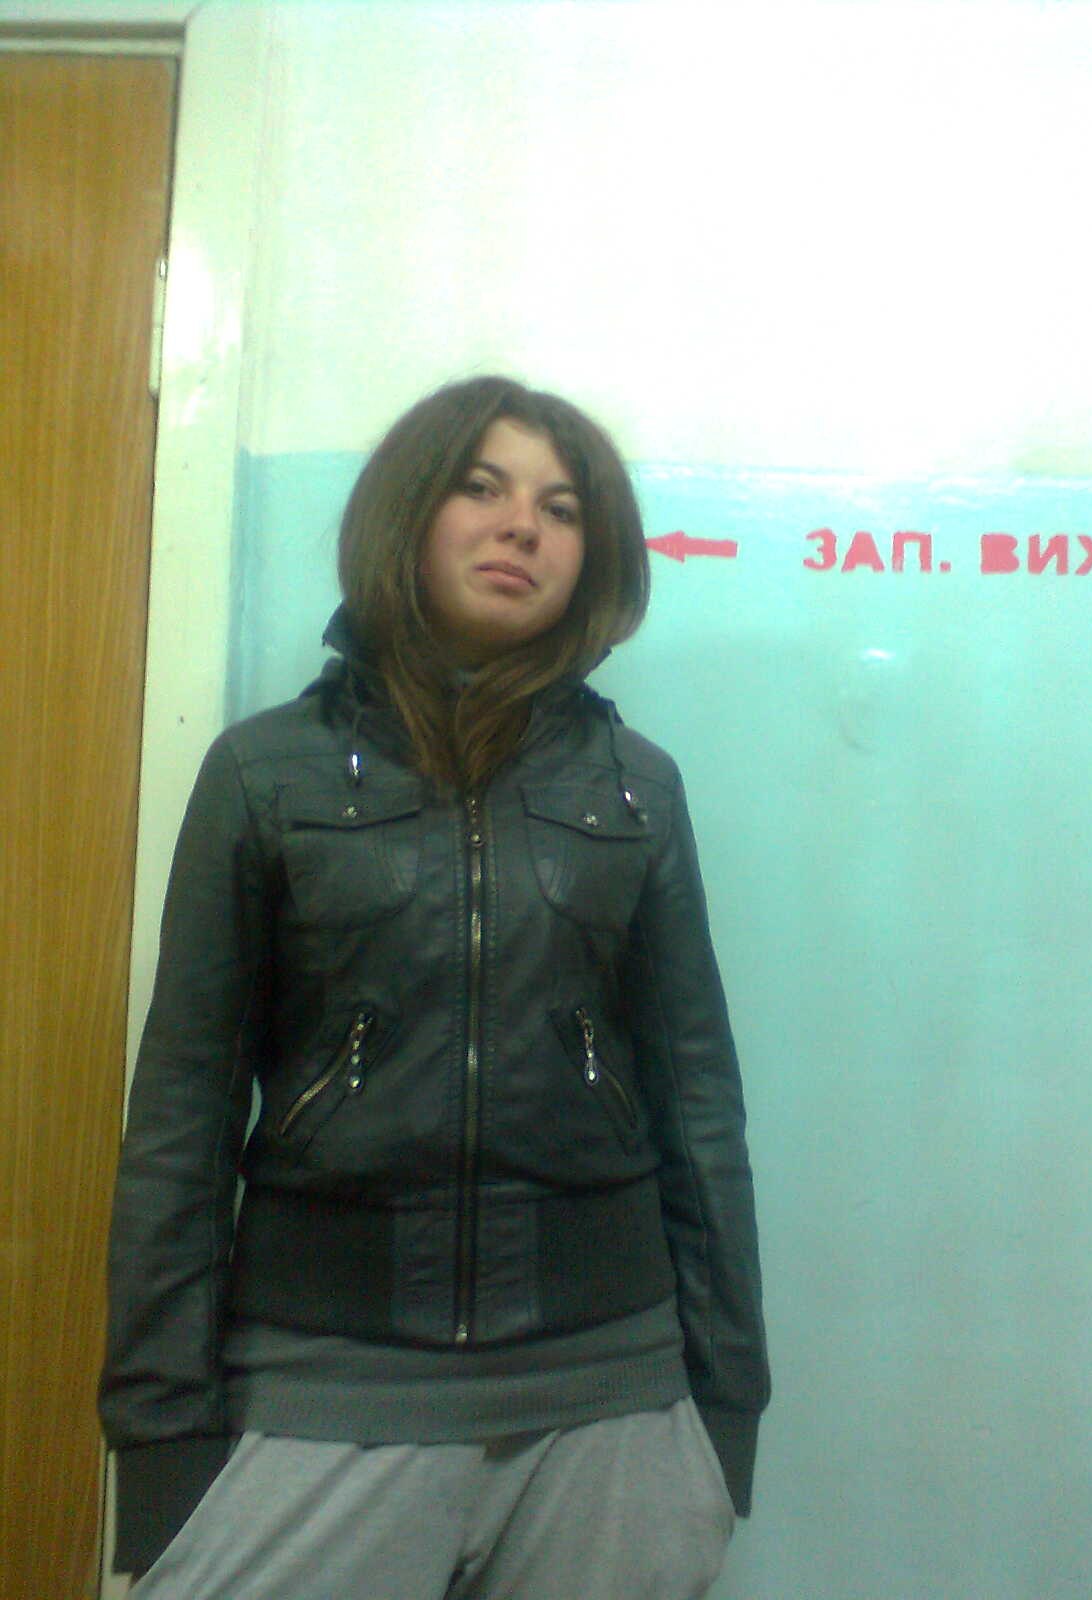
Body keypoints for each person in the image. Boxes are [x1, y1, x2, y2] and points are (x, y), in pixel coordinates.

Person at [99, 375, 769, 1599]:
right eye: (482, 487)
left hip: (610, 1398)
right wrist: (161, 1442)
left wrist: (725, 1420)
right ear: (409, 513)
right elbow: (180, 1126)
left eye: (560, 508)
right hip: (320, 1387)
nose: (522, 526)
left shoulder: (638, 788)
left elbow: (701, 1112)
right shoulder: (264, 775)